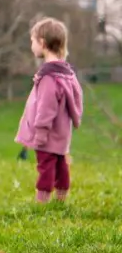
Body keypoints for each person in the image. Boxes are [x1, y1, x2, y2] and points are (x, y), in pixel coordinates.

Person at [15, 17, 84, 203]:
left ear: (43, 43)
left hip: (46, 136)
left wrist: (40, 134)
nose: (31, 45)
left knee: (45, 167)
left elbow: (46, 109)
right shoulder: (67, 73)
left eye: (32, 41)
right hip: (62, 134)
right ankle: (61, 199)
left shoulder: (49, 77)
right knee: (61, 165)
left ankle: (42, 201)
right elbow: (77, 99)